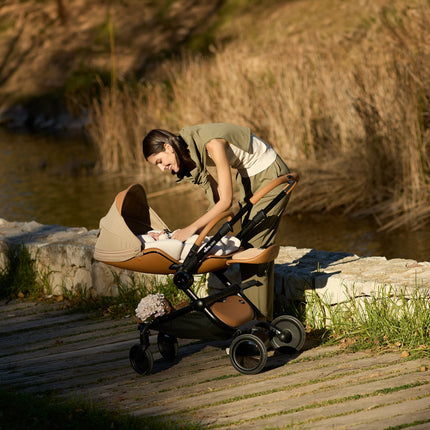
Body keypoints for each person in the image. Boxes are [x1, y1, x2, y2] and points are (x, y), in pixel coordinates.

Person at [142, 123, 291, 320]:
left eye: (160, 161)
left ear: (168, 147)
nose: (162, 169)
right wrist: (182, 234)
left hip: (270, 174)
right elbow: (216, 201)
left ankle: (261, 326)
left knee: (252, 250)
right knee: (249, 247)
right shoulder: (190, 151)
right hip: (248, 178)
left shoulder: (212, 145)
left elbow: (226, 201)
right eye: (158, 165)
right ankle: (261, 320)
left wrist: (191, 228)